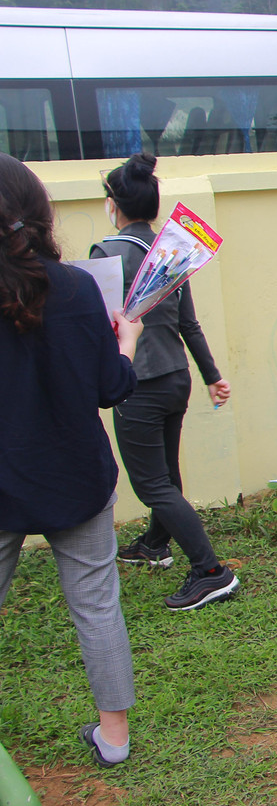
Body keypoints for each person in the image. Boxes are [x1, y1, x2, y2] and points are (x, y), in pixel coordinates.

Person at [0, 153, 142, 766]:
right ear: (39, 211)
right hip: (77, 475)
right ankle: (115, 738)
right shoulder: (79, 286)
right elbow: (111, 388)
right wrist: (126, 341)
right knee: (96, 604)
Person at [89, 152, 239, 612]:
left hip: (138, 379)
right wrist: (212, 377)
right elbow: (188, 324)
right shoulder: (172, 249)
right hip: (176, 378)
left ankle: (211, 571)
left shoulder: (106, 253)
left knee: (153, 483)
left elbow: (96, 325)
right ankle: (155, 544)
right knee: (166, 473)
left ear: (114, 203)